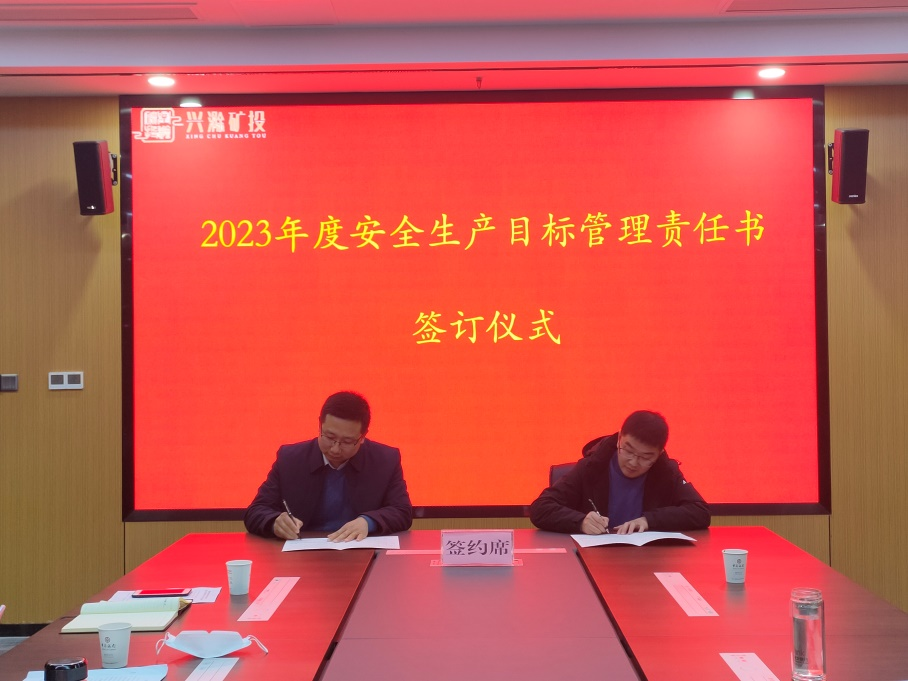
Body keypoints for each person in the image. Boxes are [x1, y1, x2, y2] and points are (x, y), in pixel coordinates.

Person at [244, 391, 413, 542]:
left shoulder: (385, 460)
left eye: (347, 441)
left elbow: (402, 511)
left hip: (361, 549)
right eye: (329, 437)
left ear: (362, 436)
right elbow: (256, 511)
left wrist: (368, 522)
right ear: (320, 425)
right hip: (303, 554)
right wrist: (274, 522)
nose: (335, 449)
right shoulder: (290, 459)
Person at [529, 410, 709, 535]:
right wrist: (580, 521)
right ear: (619, 438)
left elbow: (700, 512)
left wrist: (649, 521)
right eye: (628, 450)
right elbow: (541, 508)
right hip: (595, 559)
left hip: (648, 560)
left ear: (659, 453)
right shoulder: (592, 466)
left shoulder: (666, 471)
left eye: (645, 457)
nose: (633, 462)